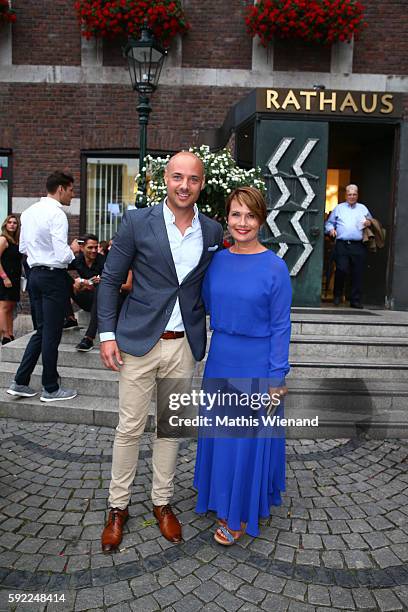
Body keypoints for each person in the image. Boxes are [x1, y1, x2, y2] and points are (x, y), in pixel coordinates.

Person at [97, 151, 223, 552]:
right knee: (129, 428)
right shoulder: (137, 222)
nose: (184, 186)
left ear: (202, 183)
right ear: (164, 180)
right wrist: (106, 334)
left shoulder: (213, 231)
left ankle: (162, 502)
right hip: (137, 343)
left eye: (193, 179)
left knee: (172, 429)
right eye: (177, 177)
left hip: (183, 345)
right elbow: (111, 280)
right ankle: (118, 507)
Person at [194, 186, 292, 544]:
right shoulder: (216, 260)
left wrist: (277, 375)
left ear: (261, 219)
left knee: (245, 441)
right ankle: (220, 497)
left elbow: (282, 325)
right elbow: (203, 304)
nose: (242, 222)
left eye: (250, 215)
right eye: (236, 214)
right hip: (221, 358)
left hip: (256, 362)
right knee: (222, 437)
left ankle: (238, 515)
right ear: (226, 218)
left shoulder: (275, 267)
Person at [6, 171, 77, 402]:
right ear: (60, 189)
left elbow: (23, 247)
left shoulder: (28, 213)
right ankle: (50, 387)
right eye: (71, 190)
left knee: (42, 331)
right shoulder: (57, 214)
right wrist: (73, 251)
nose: (72, 195)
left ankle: (20, 381)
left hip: (34, 275)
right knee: (51, 334)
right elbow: (61, 253)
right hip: (52, 278)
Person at [325, 184, 372, 309]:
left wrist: (368, 222)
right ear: (346, 195)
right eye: (349, 194)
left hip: (358, 245)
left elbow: (371, 222)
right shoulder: (339, 208)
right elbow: (329, 223)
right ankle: (337, 295)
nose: (352, 197)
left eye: (354, 194)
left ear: (357, 195)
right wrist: (331, 230)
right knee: (341, 269)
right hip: (342, 245)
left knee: (358, 273)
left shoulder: (363, 208)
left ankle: (355, 300)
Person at [64, 234, 106, 351]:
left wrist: (84, 282)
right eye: (90, 247)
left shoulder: (103, 261)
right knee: (61, 277)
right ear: (82, 248)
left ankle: (89, 338)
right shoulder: (78, 260)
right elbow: (60, 264)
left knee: (100, 288)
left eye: (95, 247)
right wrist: (71, 249)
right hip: (85, 297)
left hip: (100, 301)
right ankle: (70, 318)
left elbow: (105, 282)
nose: (93, 250)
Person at [0, 215, 22, 344]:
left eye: (15, 223)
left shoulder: (16, 242)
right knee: (4, 306)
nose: (12, 225)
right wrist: (4, 277)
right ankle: (4, 335)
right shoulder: (3, 240)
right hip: (5, 278)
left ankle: (10, 333)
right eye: (10, 222)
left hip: (15, 278)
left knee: (11, 306)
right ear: (5, 225)